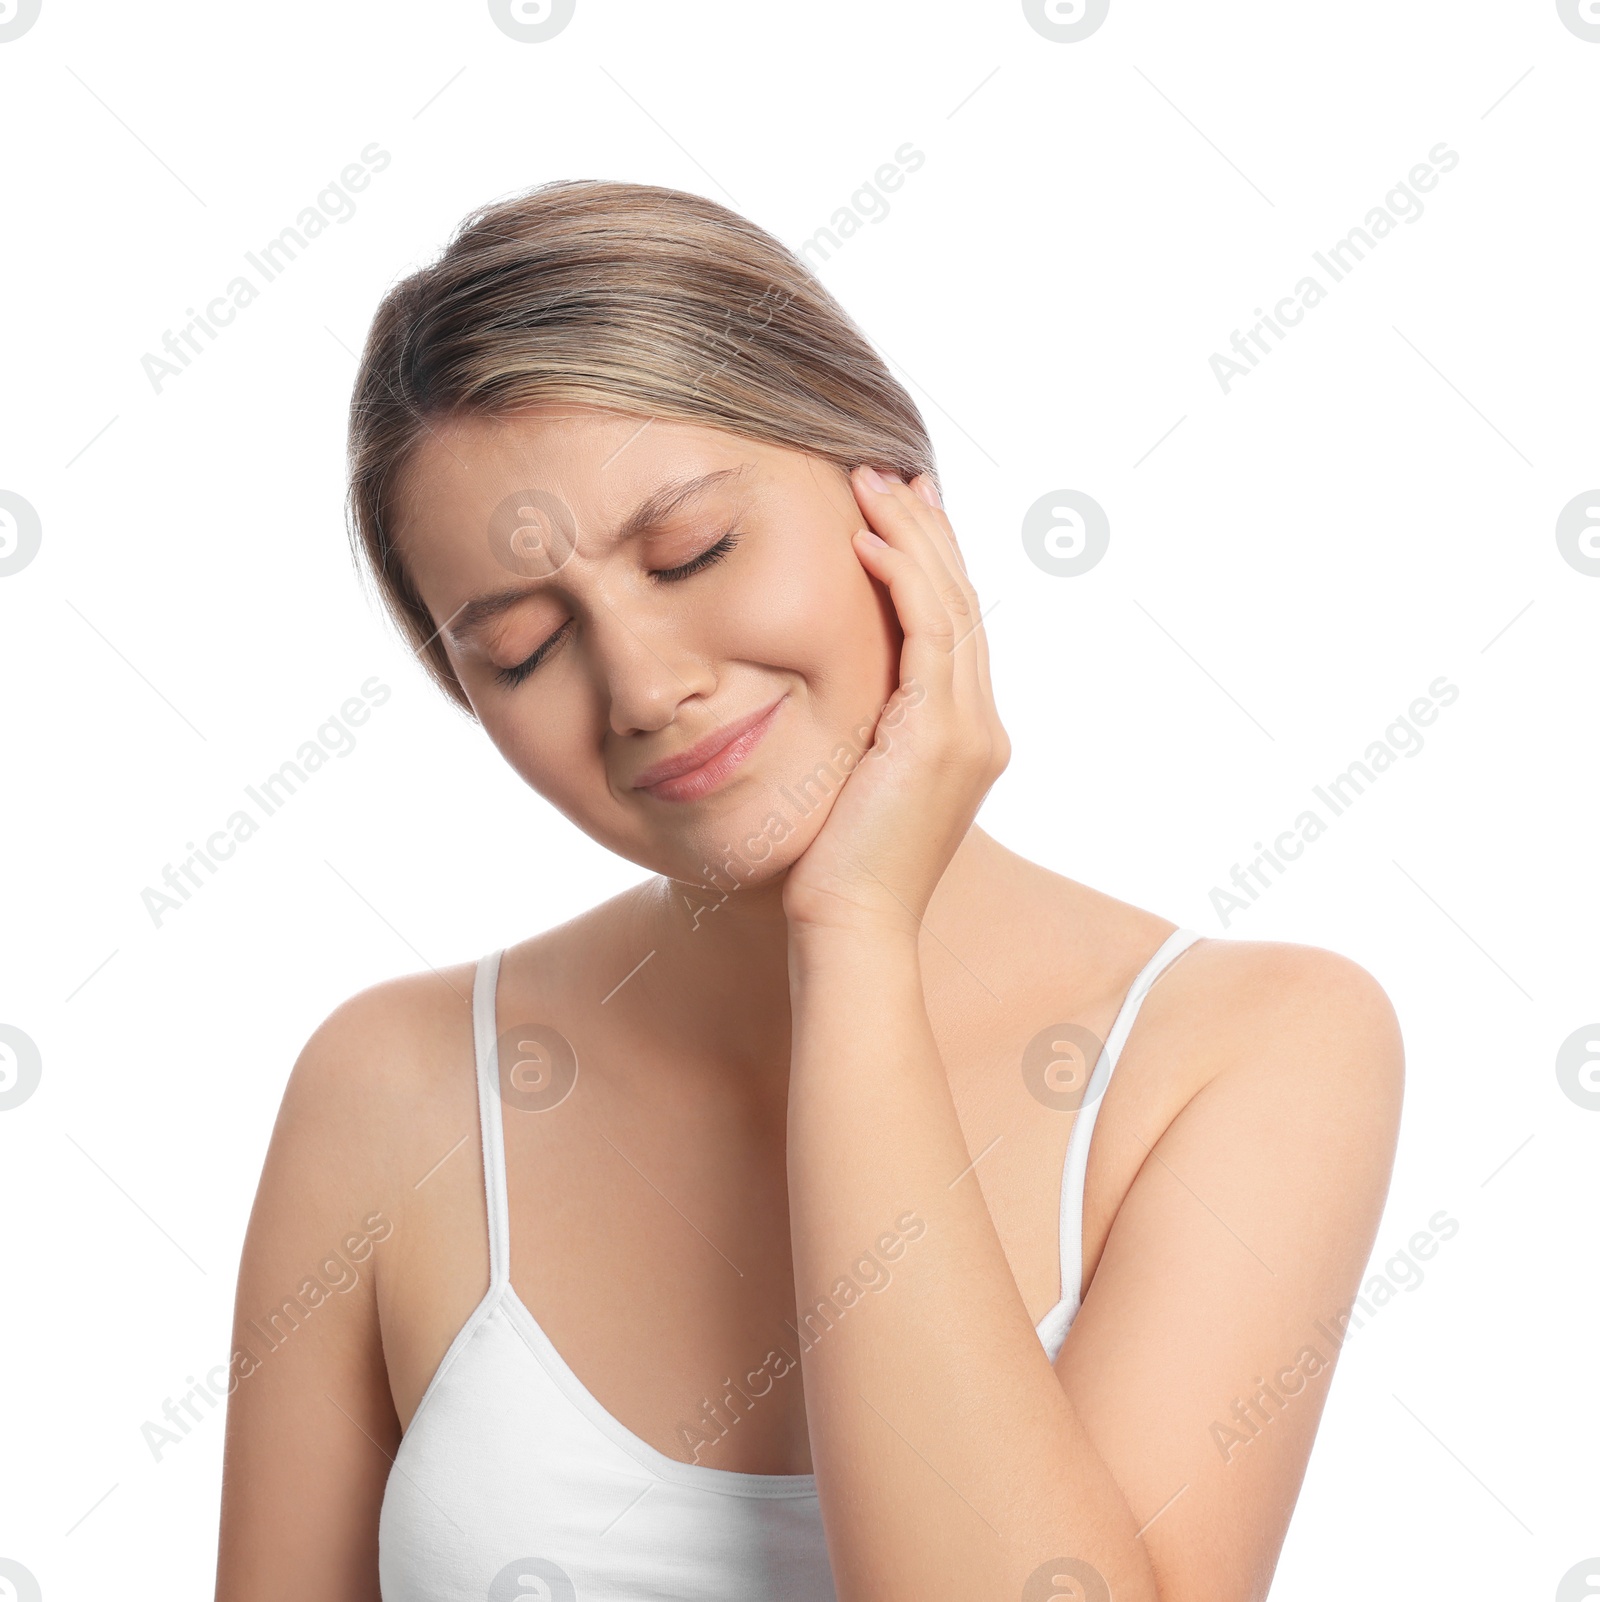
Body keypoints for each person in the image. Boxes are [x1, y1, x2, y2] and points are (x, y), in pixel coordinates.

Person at [214, 179, 1404, 1602]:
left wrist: (852, 941)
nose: (648, 686)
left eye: (694, 551)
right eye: (524, 647)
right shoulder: (386, 1087)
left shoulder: (1253, 1046)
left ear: (888, 487)